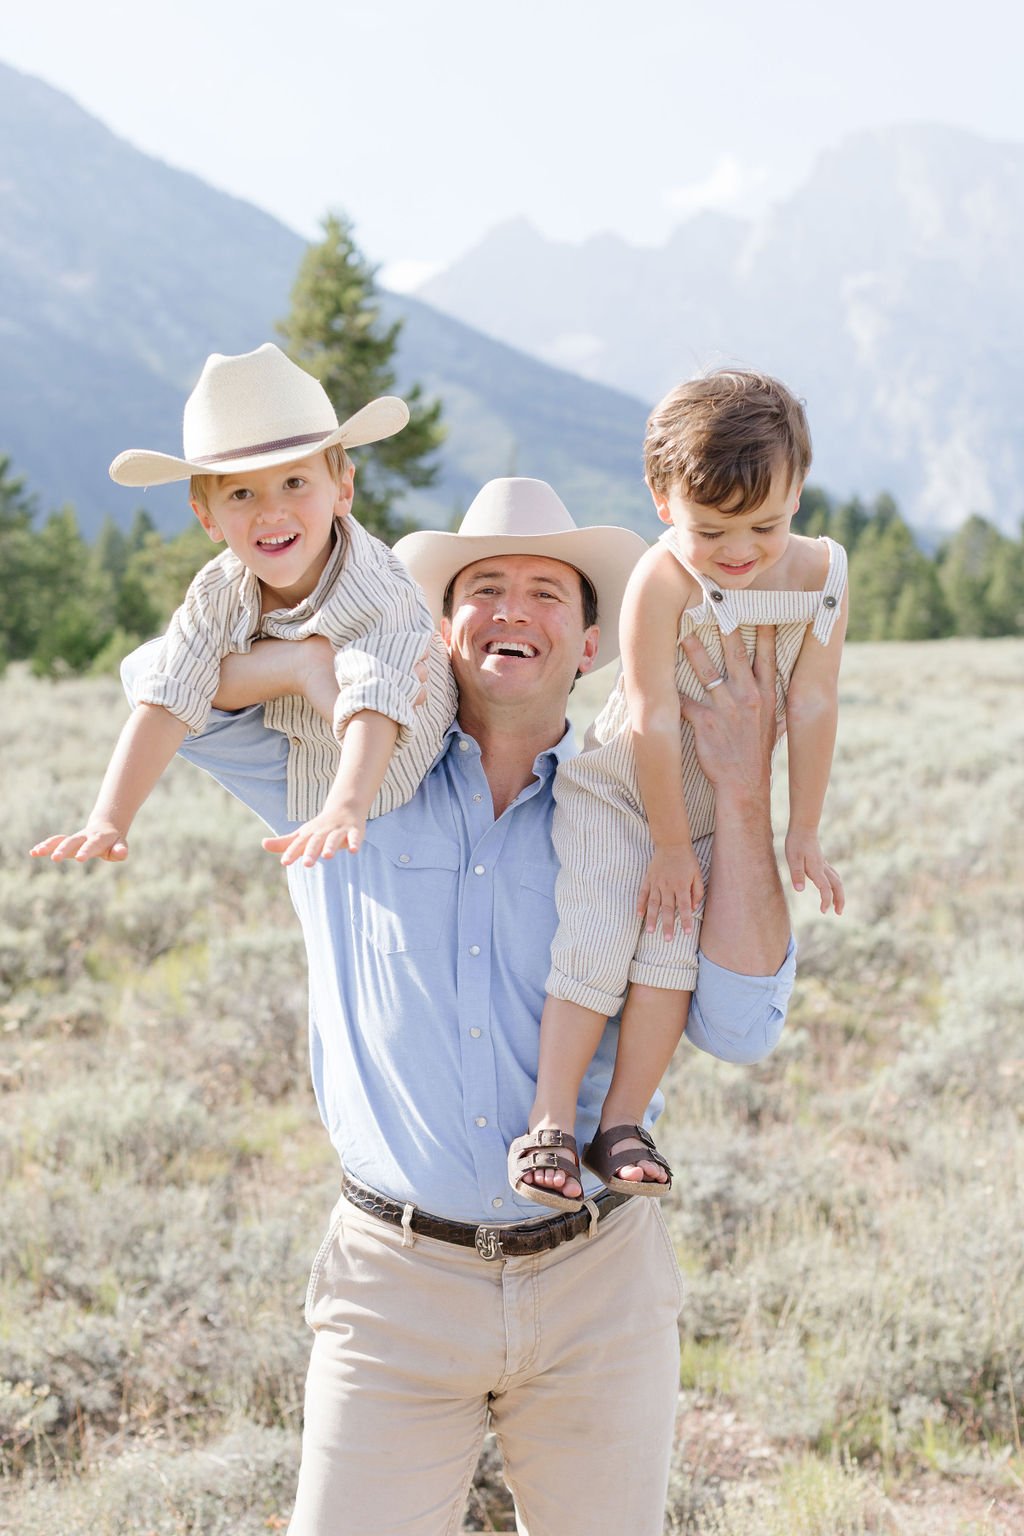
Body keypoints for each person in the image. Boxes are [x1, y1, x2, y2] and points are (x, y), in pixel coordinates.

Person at [117, 476, 796, 1536]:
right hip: (394, 1290)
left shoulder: (648, 809)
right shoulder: (331, 768)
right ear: (440, 629)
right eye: (484, 588)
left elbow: (745, 1026)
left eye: (544, 593)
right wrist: (306, 661)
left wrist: (745, 795)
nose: (511, 611)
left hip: (597, 1287)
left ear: (587, 644)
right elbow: (153, 677)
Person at [512, 371, 847, 1213]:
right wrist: (666, 844)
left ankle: (620, 1124)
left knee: (666, 959)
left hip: (703, 813)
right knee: (599, 935)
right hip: (629, 794)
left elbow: (812, 701)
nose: (740, 551)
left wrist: (801, 829)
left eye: (765, 524)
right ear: (663, 500)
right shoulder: (661, 582)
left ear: (799, 491)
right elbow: (654, 722)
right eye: (712, 530)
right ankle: (550, 1123)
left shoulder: (823, 576)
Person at [30, 343, 456, 871]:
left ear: (342, 489)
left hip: (416, 777)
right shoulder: (216, 591)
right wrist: (108, 820)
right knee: (157, 669)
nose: (271, 511)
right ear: (206, 517)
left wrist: (346, 808)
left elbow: (377, 700)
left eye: (294, 482)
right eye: (240, 495)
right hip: (314, 785)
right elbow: (165, 702)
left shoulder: (374, 585)